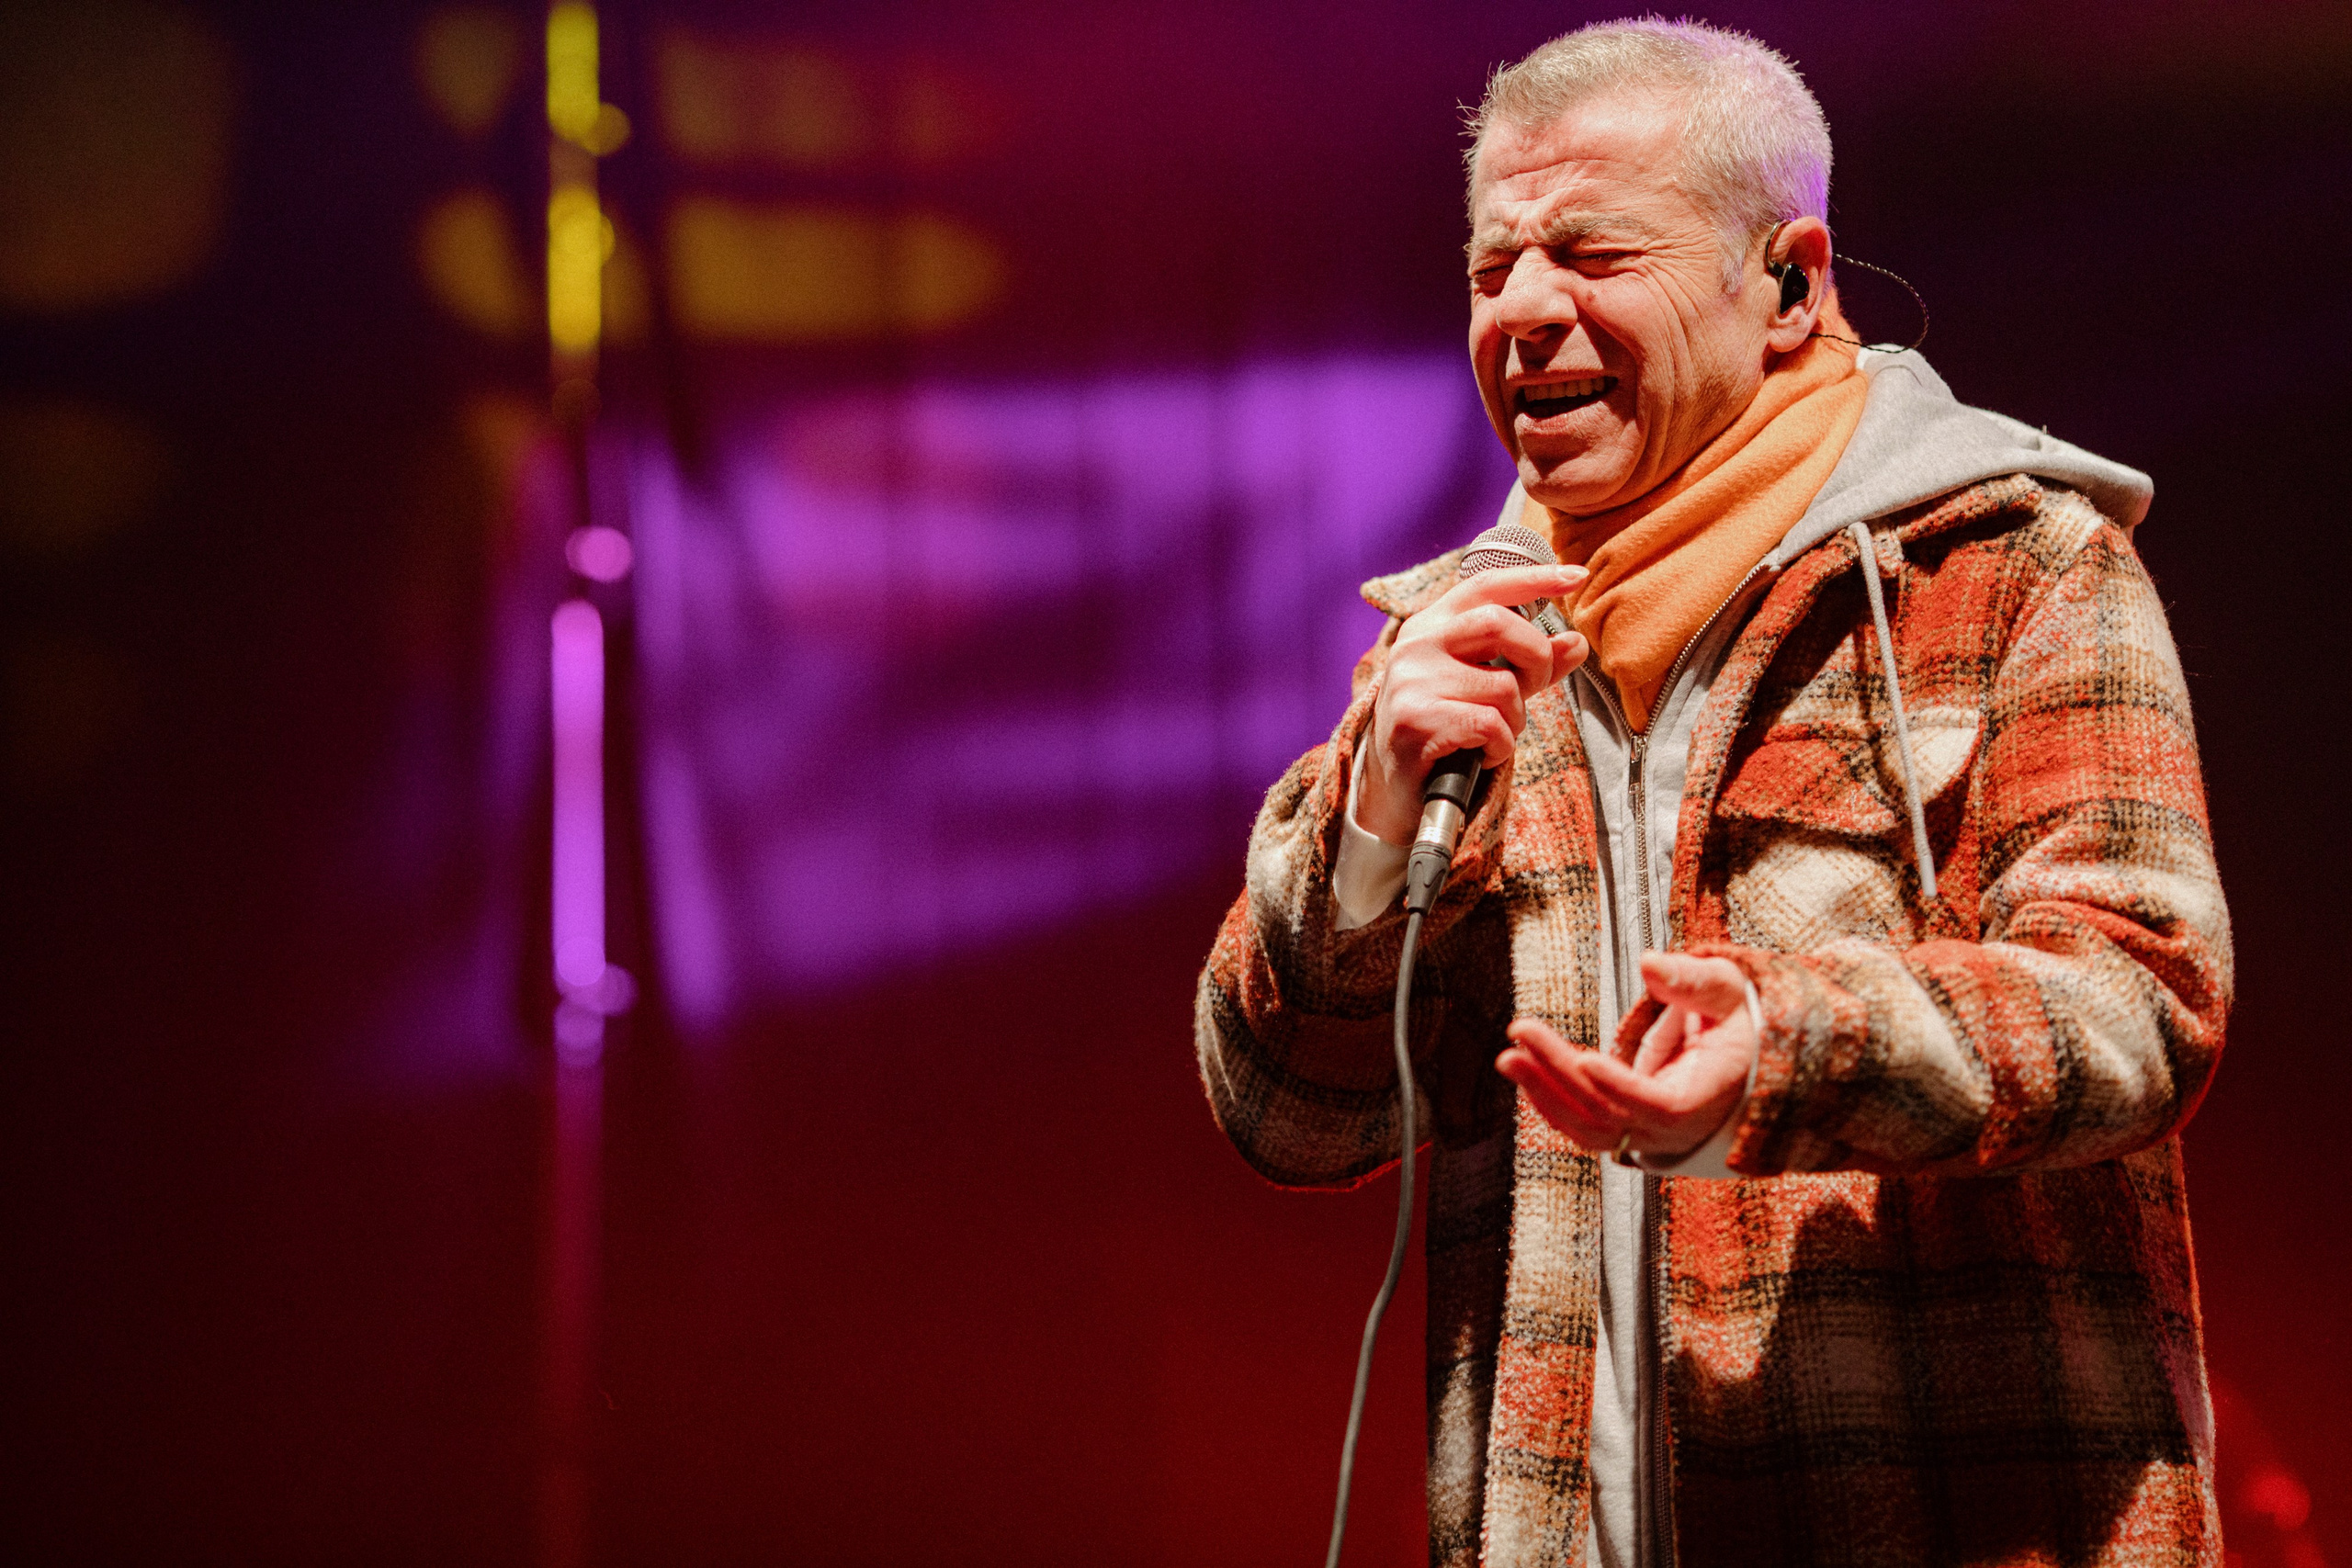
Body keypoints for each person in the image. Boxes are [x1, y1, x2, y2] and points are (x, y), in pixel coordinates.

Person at [1194, 18, 2230, 1568]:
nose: (1524, 310)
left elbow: (2145, 997)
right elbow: (1285, 1114)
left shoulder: (2011, 567)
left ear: (1791, 285)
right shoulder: (1458, 653)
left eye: (1593, 253)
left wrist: (1793, 1050)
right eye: (1492, 269)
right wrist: (1368, 832)